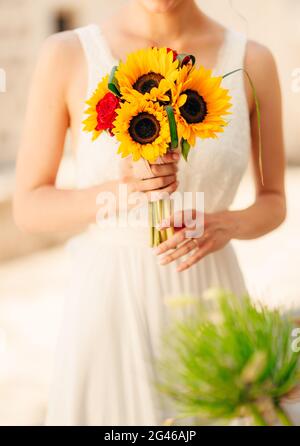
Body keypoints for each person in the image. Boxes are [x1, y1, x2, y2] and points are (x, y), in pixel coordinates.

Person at [14, 0, 289, 426]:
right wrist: (122, 190)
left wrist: (227, 225)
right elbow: (29, 206)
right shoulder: (66, 54)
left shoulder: (253, 61)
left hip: (210, 294)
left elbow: (274, 200)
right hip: (109, 302)